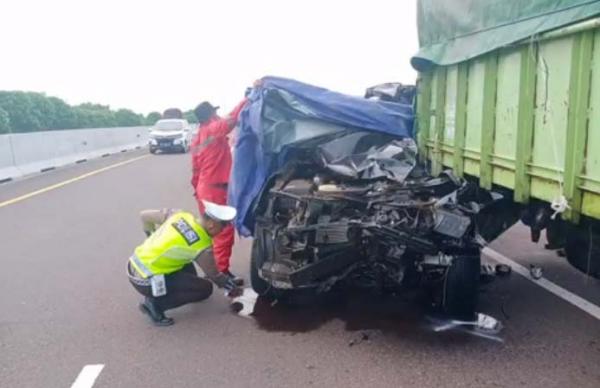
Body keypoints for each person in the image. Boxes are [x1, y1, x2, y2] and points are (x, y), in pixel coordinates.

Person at [127, 201, 242, 326]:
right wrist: (229, 285)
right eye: (223, 226)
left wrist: (150, 234)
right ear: (211, 225)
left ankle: (168, 291)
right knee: (205, 289)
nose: (222, 231)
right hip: (146, 281)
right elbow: (214, 275)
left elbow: (144, 215)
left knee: (186, 258)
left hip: (134, 265)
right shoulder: (202, 246)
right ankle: (155, 305)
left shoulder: (180, 215)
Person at [190, 98, 247, 285]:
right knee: (223, 231)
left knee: (209, 231)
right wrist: (248, 98)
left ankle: (212, 269)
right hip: (214, 189)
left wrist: (196, 188)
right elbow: (231, 119)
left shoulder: (199, 136)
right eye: (215, 113)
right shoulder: (213, 129)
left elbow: (195, 166)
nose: (218, 115)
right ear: (211, 116)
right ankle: (220, 272)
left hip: (204, 188)